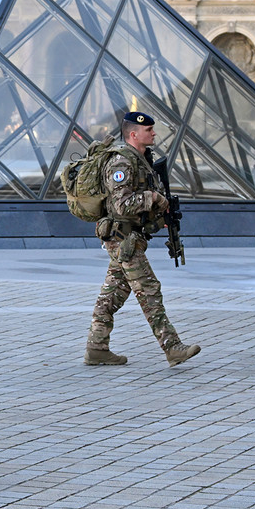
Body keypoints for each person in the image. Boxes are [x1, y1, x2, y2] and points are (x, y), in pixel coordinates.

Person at [85, 111, 201, 368]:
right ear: (133, 134)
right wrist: (154, 198)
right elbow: (122, 205)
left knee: (113, 294)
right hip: (123, 239)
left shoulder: (141, 160)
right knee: (149, 291)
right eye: (149, 130)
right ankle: (172, 347)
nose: (154, 133)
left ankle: (96, 348)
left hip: (129, 238)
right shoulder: (121, 163)